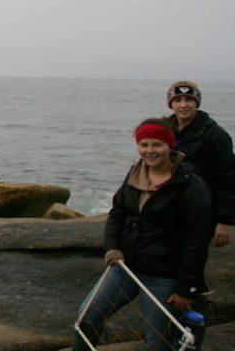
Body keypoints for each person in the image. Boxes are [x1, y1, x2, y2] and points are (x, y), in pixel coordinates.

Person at [73, 118, 211, 351]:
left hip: (164, 276)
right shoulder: (134, 175)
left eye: (157, 144)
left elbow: (197, 240)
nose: (149, 151)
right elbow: (117, 213)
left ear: (170, 145)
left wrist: (187, 288)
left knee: (158, 342)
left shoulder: (190, 186)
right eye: (144, 144)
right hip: (125, 268)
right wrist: (112, 247)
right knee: (87, 317)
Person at [166, 80, 235, 248]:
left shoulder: (215, 135)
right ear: (171, 104)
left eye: (188, 100)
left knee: (191, 264)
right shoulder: (166, 131)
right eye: (178, 100)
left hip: (202, 210)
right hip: (170, 208)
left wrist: (224, 220)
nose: (183, 105)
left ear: (197, 102)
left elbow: (229, 178)